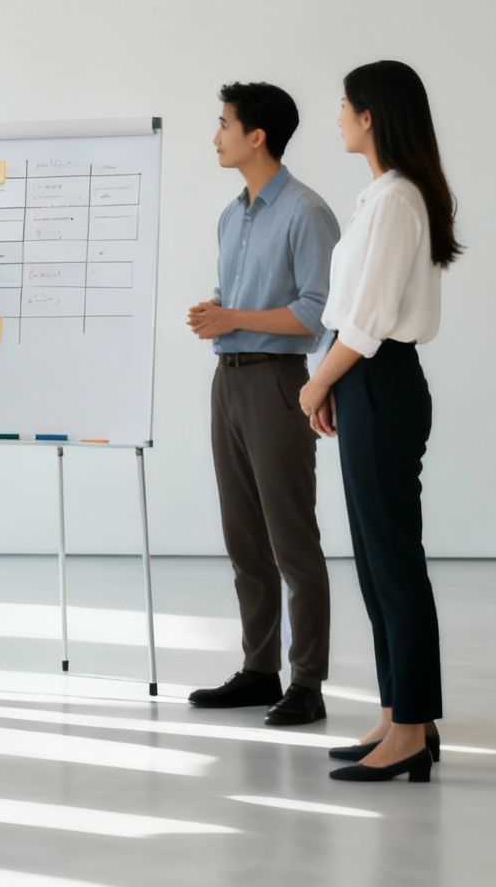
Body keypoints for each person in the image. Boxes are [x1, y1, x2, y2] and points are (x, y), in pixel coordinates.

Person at [298, 59, 462, 784]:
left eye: (344, 106)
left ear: (371, 116)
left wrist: (315, 385)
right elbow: (356, 319)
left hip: (379, 380)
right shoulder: (382, 196)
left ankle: (413, 724)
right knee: (374, 559)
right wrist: (336, 377)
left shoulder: (396, 200)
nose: (336, 116)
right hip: (366, 381)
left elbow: (365, 323)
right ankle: (401, 716)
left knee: (393, 562)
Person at [185, 82, 341, 727]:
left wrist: (234, 317)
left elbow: (317, 313)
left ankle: (307, 682)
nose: (215, 135)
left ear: (257, 136)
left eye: (224, 124)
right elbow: (235, 299)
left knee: (291, 538)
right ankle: (259, 669)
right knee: (243, 536)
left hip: (279, 382)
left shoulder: (306, 212)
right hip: (228, 380)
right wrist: (217, 316)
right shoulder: (232, 214)